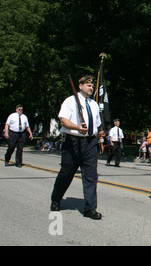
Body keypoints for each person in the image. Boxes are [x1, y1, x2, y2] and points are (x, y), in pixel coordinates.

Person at [50, 75, 102, 220]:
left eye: (92, 86)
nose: (91, 88)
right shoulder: (70, 101)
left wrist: (98, 136)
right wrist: (77, 127)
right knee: (66, 173)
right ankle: (56, 199)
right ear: (80, 86)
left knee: (91, 176)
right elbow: (63, 120)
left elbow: (96, 125)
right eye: (88, 85)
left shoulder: (94, 104)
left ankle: (90, 208)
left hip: (90, 143)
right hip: (72, 142)